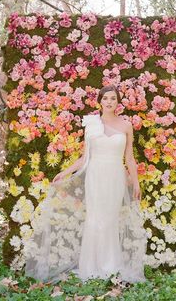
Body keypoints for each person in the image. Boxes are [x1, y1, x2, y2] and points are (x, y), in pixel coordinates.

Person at [23, 85, 148, 284]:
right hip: (95, 175)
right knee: (95, 218)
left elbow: (130, 158)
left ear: (118, 102)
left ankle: (111, 266)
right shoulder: (92, 124)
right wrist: (65, 171)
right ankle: (90, 266)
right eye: (105, 98)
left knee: (110, 219)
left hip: (115, 176)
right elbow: (84, 158)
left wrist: (136, 183)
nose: (109, 102)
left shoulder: (126, 126)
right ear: (100, 101)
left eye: (113, 99)